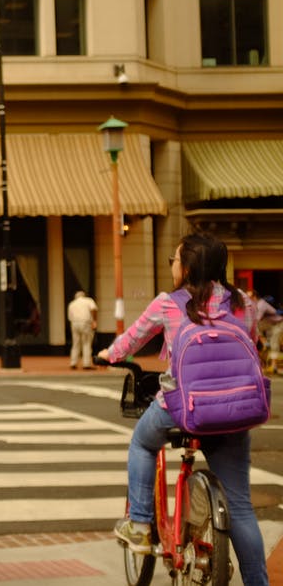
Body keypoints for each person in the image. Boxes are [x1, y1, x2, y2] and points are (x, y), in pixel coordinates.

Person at [99, 233, 268, 586]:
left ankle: (142, 525)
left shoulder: (168, 303)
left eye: (174, 260)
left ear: (187, 267)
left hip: (182, 408)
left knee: (143, 443)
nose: (172, 266)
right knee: (240, 506)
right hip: (236, 412)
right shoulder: (245, 305)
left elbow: (130, 341)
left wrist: (108, 355)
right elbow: (248, 350)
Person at [67, 290, 98, 369]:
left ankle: (73, 362)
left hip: (74, 323)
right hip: (85, 323)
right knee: (86, 343)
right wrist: (94, 321)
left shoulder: (72, 304)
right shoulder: (88, 301)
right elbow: (93, 309)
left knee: (76, 343)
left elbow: (70, 317)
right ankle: (86, 364)